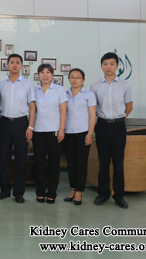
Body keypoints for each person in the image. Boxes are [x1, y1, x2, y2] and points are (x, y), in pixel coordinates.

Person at [90, 52, 133, 209]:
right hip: (101, 126)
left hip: (118, 126)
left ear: (117, 66)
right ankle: (103, 193)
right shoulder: (95, 86)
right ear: (101, 66)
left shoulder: (125, 85)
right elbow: (93, 108)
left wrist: (118, 118)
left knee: (118, 163)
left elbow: (129, 106)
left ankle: (119, 195)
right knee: (103, 162)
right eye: (105, 64)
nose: (108, 67)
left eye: (112, 63)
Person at [0, 54, 36, 203]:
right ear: (7, 65)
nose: (14, 65)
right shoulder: (0, 84)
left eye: (17, 62)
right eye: (11, 62)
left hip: (21, 124)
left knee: (20, 159)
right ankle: (4, 190)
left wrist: (30, 126)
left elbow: (32, 106)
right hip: (4, 123)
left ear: (21, 66)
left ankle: (19, 192)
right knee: (4, 159)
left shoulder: (27, 84)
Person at [33, 64, 67, 204]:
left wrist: (61, 130)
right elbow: (31, 110)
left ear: (52, 74)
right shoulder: (34, 90)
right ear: (38, 75)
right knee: (39, 163)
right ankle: (40, 191)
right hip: (38, 131)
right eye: (42, 72)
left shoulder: (59, 90)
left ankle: (52, 192)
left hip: (54, 132)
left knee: (54, 164)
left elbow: (63, 111)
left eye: (48, 72)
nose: (45, 75)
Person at [64, 68, 96, 205]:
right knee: (70, 164)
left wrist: (90, 134)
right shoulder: (64, 94)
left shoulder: (89, 94)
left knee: (81, 163)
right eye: (72, 77)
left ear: (83, 80)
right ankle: (72, 189)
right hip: (68, 133)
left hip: (83, 133)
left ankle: (79, 192)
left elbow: (93, 115)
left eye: (78, 77)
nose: (74, 79)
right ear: (69, 79)